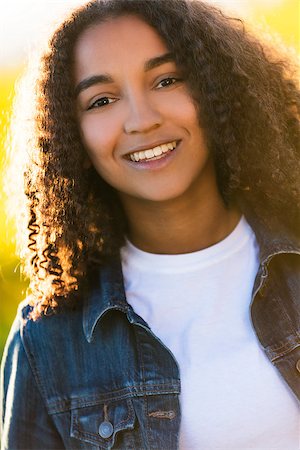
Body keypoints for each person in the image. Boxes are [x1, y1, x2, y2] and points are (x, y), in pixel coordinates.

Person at [1, 0, 299, 448]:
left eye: (167, 80)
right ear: (70, 134)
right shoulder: (47, 343)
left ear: (218, 87)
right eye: (101, 100)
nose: (142, 120)